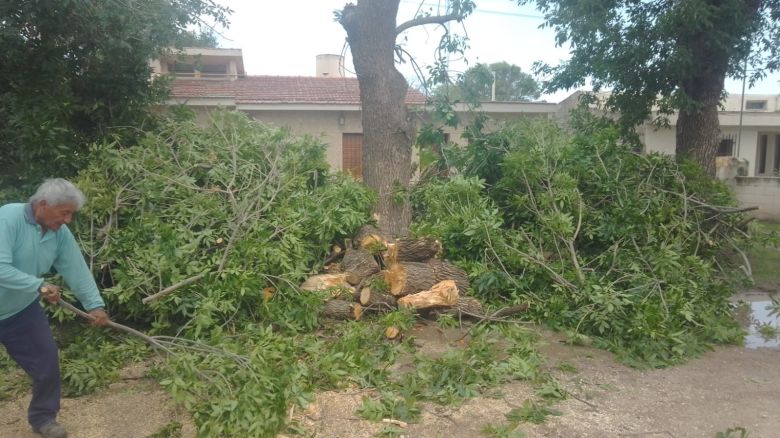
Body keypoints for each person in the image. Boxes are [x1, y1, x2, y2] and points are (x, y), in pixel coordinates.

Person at [0, 178, 109, 438]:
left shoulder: (58, 233)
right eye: (65, 213)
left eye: (71, 214)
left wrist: (94, 305)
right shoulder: (8, 218)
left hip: (20, 311)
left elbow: (76, 268)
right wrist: (38, 286)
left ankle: (43, 418)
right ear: (44, 205)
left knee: (47, 362)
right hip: (25, 297)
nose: (68, 220)